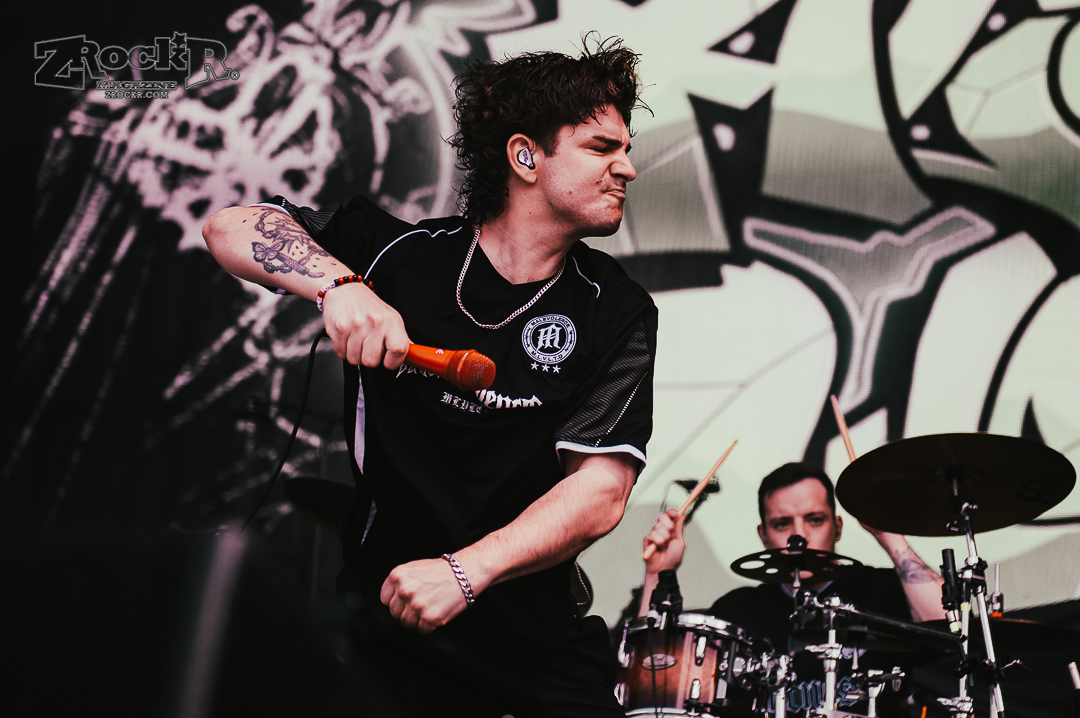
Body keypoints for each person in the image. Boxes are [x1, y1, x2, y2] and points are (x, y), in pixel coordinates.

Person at [202, 37, 655, 717]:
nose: (627, 168)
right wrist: (339, 287)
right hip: (389, 630)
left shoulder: (615, 309)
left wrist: (464, 573)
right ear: (526, 157)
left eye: (626, 148)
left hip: (536, 644)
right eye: (601, 147)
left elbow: (600, 492)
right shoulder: (396, 255)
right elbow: (231, 226)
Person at [636, 462, 946, 717]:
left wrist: (889, 536)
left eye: (815, 520)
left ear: (838, 527)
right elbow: (652, 678)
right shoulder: (739, 610)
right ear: (763, 536)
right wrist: (657, 571)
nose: (799, 536)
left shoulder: (883, 590)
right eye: (782, 524)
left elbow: (950, 628)